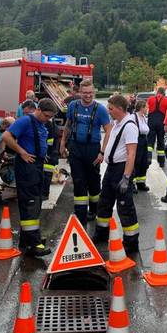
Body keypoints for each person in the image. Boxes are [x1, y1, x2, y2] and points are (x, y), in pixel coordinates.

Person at [2, 98, 58, 256]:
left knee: (35, 201)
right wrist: (22, 152)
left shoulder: (41, 123)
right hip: (27, 167)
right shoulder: (26, 121)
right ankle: (33, 243)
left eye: (50, 117)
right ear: (38, 110)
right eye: (46, 116)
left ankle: (27, 240)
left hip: (36, 164)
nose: (48, 120)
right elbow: (6, 136)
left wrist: (42, 154)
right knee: (30, 202)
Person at [92, 95, 140, 253]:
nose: (108, 111)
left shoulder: (129, 126)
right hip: (112, 169)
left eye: (111, 108)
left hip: (121, 170)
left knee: (125, 206)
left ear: (120, 109)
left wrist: (126, 178)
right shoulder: (117, 123)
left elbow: (131, 154)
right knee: (104, 202)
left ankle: (131, 242)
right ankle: (101, 234)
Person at [60, 79, 111, 226]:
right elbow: (68, 125)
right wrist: (62, 143)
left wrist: (102, 152)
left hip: (93, 149)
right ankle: (80, 215)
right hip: (75, 147)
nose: (88, 95)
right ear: (80, 92)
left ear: (93, 92)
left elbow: (108, 131)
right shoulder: (73, 105)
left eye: (90, 93)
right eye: (85, 93)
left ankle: (94, 210)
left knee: (93, 181)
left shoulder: (100, 109)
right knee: (78, 180)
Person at [146, 87, 167, 167]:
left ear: (157, 92)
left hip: (151, 121)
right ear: (164, 93)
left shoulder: (150, 99)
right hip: (161, 122)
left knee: (150, 140)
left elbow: (147, 109)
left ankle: (148, 158)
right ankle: (161, 162)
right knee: (161, 141)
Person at [131, 100, 150, 192]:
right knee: (136, 162)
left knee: (143, 163)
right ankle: (132, 184)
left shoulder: (144, 117)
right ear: (142, 108)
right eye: (146, 107)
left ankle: (141, 183)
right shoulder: (133, 117)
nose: (147, 109)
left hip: (144, 140)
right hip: (136, 140)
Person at [42, 116, 60, 201]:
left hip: (49, 155)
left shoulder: (49, 125)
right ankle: (44, 193)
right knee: (46, 175)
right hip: (51, 154)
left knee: (46, 175)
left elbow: (49, 142)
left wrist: (44, 152)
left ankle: (44, 194)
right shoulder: (52, 125)